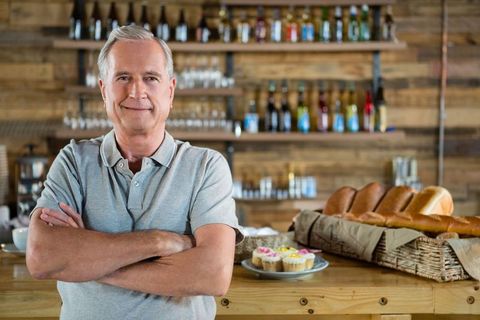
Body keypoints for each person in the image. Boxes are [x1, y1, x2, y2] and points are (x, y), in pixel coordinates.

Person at [26, 25, 242, 320]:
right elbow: (42, 258)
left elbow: (212, 275)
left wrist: (87, 262)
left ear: (170, 90)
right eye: (123, 77)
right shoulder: (74, 161)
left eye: (150, 78)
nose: (136, 90)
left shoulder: (206, 167)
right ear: (104, 90)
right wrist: (159, 242)